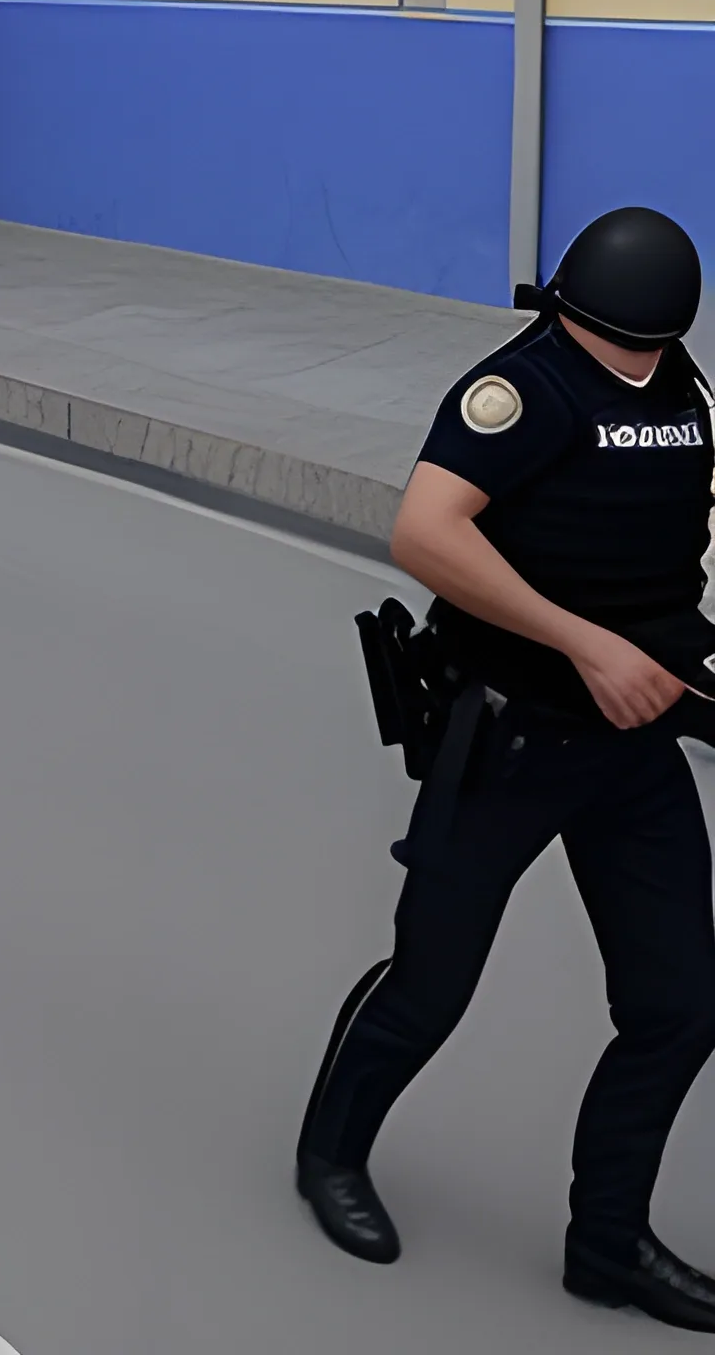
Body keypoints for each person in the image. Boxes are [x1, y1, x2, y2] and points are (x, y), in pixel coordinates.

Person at [297, 206, 715, 1331]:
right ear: (569, 311)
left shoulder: (679, 389)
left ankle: (607, 1242)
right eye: (617, 344)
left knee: (679, 1005)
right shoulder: (519, 390)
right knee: (428, 986)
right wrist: (586, 644)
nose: (635, 365)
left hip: (633, 748)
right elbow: (424, 532)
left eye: (651, 346)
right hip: (512, 736)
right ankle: (329, 1155)